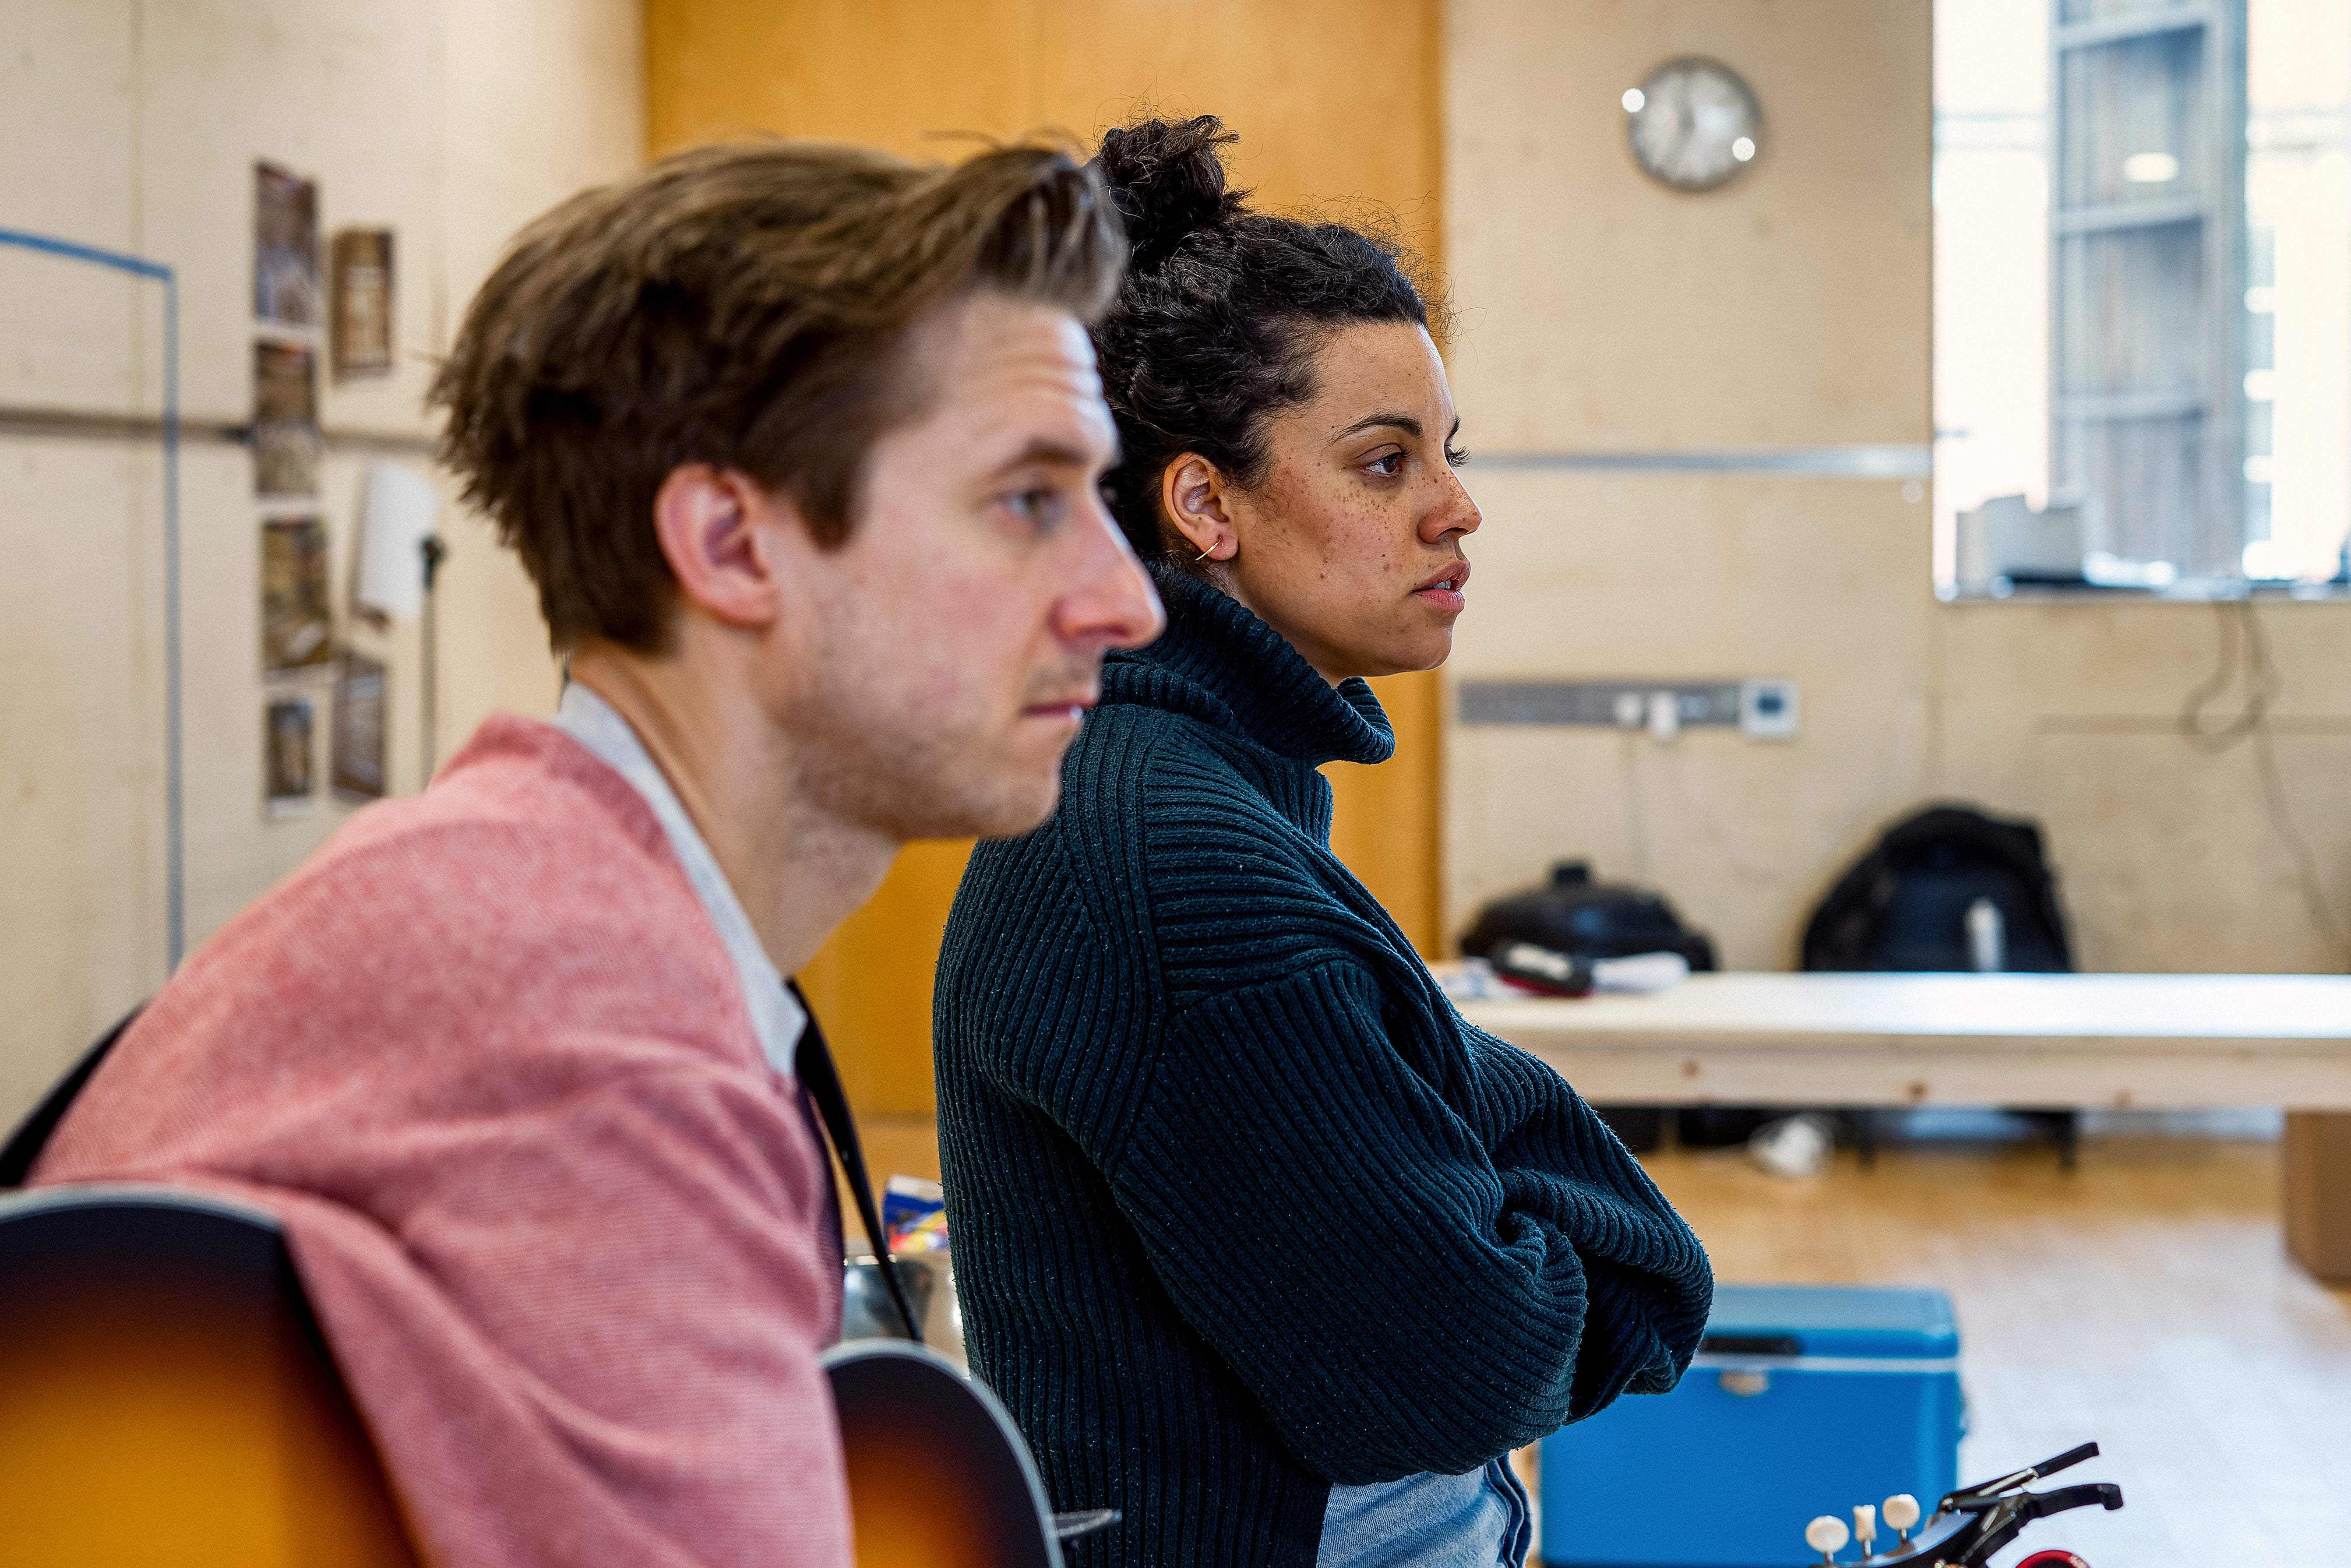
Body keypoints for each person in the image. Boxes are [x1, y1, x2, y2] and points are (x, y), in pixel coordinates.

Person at [33, 139, 1160, 1567]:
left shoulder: (507, 894)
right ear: (732, 545)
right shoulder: (584, 1026)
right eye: (1028, 502)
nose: (1127, 602)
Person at [933, 116, 1715, 1568]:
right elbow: (1463, 1371)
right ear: (1203, 504)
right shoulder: (1172, 863)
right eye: (1381, 462)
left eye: (1446, 453)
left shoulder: (1181, 788)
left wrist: (1455, 1110)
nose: (1454, 507)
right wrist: (1509, 1149)